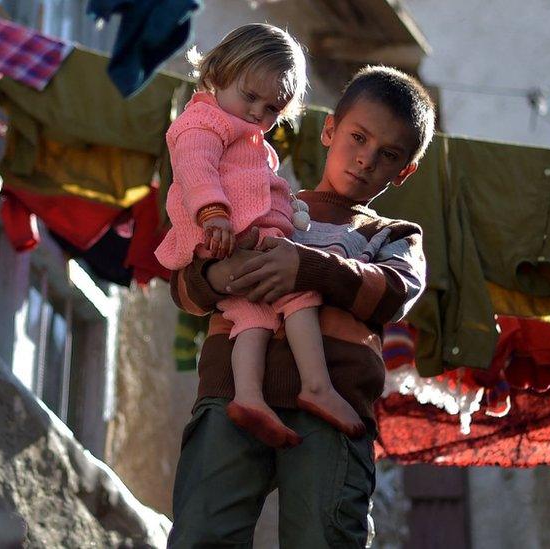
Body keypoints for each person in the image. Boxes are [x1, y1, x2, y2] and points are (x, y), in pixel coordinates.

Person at [167, 65, 436, 548]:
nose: (366, 159)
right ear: (329, 128)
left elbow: (396, 293)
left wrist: (305, 269)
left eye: (388, 154)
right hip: (232, 394)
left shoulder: (391, 234)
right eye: (358, 137)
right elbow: (185, 293)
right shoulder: (266, 203)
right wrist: (214, 274)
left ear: (404, 171)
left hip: (331, 408)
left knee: (324, 536)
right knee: (202, 534)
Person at [155, 23, 365, 447]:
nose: (257, 113)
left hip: (239, 236)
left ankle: (249, 397)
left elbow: (258, 186)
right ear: (217, 72)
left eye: (272, 108)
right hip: (224, 231)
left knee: (255, 315)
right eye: (249, 96)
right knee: (299, 294)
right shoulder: (203, 123)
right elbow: (197, 170)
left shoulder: (250, 139)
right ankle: (317, 385)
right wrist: (213, 213)